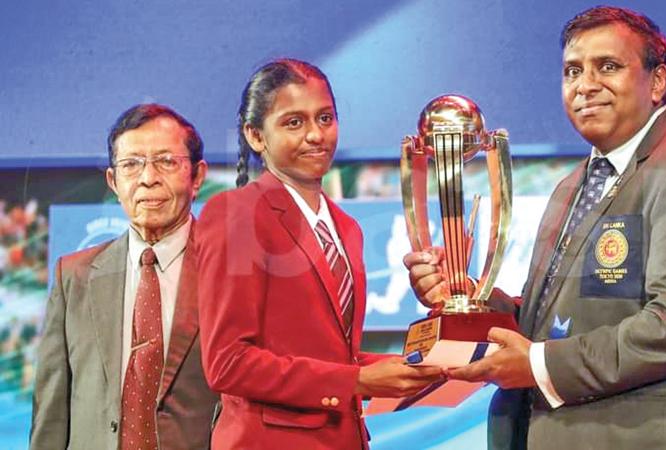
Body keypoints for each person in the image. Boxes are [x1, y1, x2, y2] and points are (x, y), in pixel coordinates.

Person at [404, 6, 666, 449]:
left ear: (658, 81)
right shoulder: (572, 186)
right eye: (573, 71)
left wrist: (538, 364)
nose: (586, 85)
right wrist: (468, 296)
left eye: (608, 66)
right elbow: (552, 321)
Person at [195, 58, 442, 450]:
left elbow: (325, 354)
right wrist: (356, 381)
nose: (316, 135)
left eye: (325, 118)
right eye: (294, 122)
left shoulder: (346, 227)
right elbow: (228, 362)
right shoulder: (236, 215)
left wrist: (408, 366)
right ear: (256, 136)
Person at [30, 104, 219, 449]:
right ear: (113, 181)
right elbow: (52, 413)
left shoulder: (230, 270)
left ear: (197, 176)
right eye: (131, 165)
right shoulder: (74, 276)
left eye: (166, 161)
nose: (148, 178)